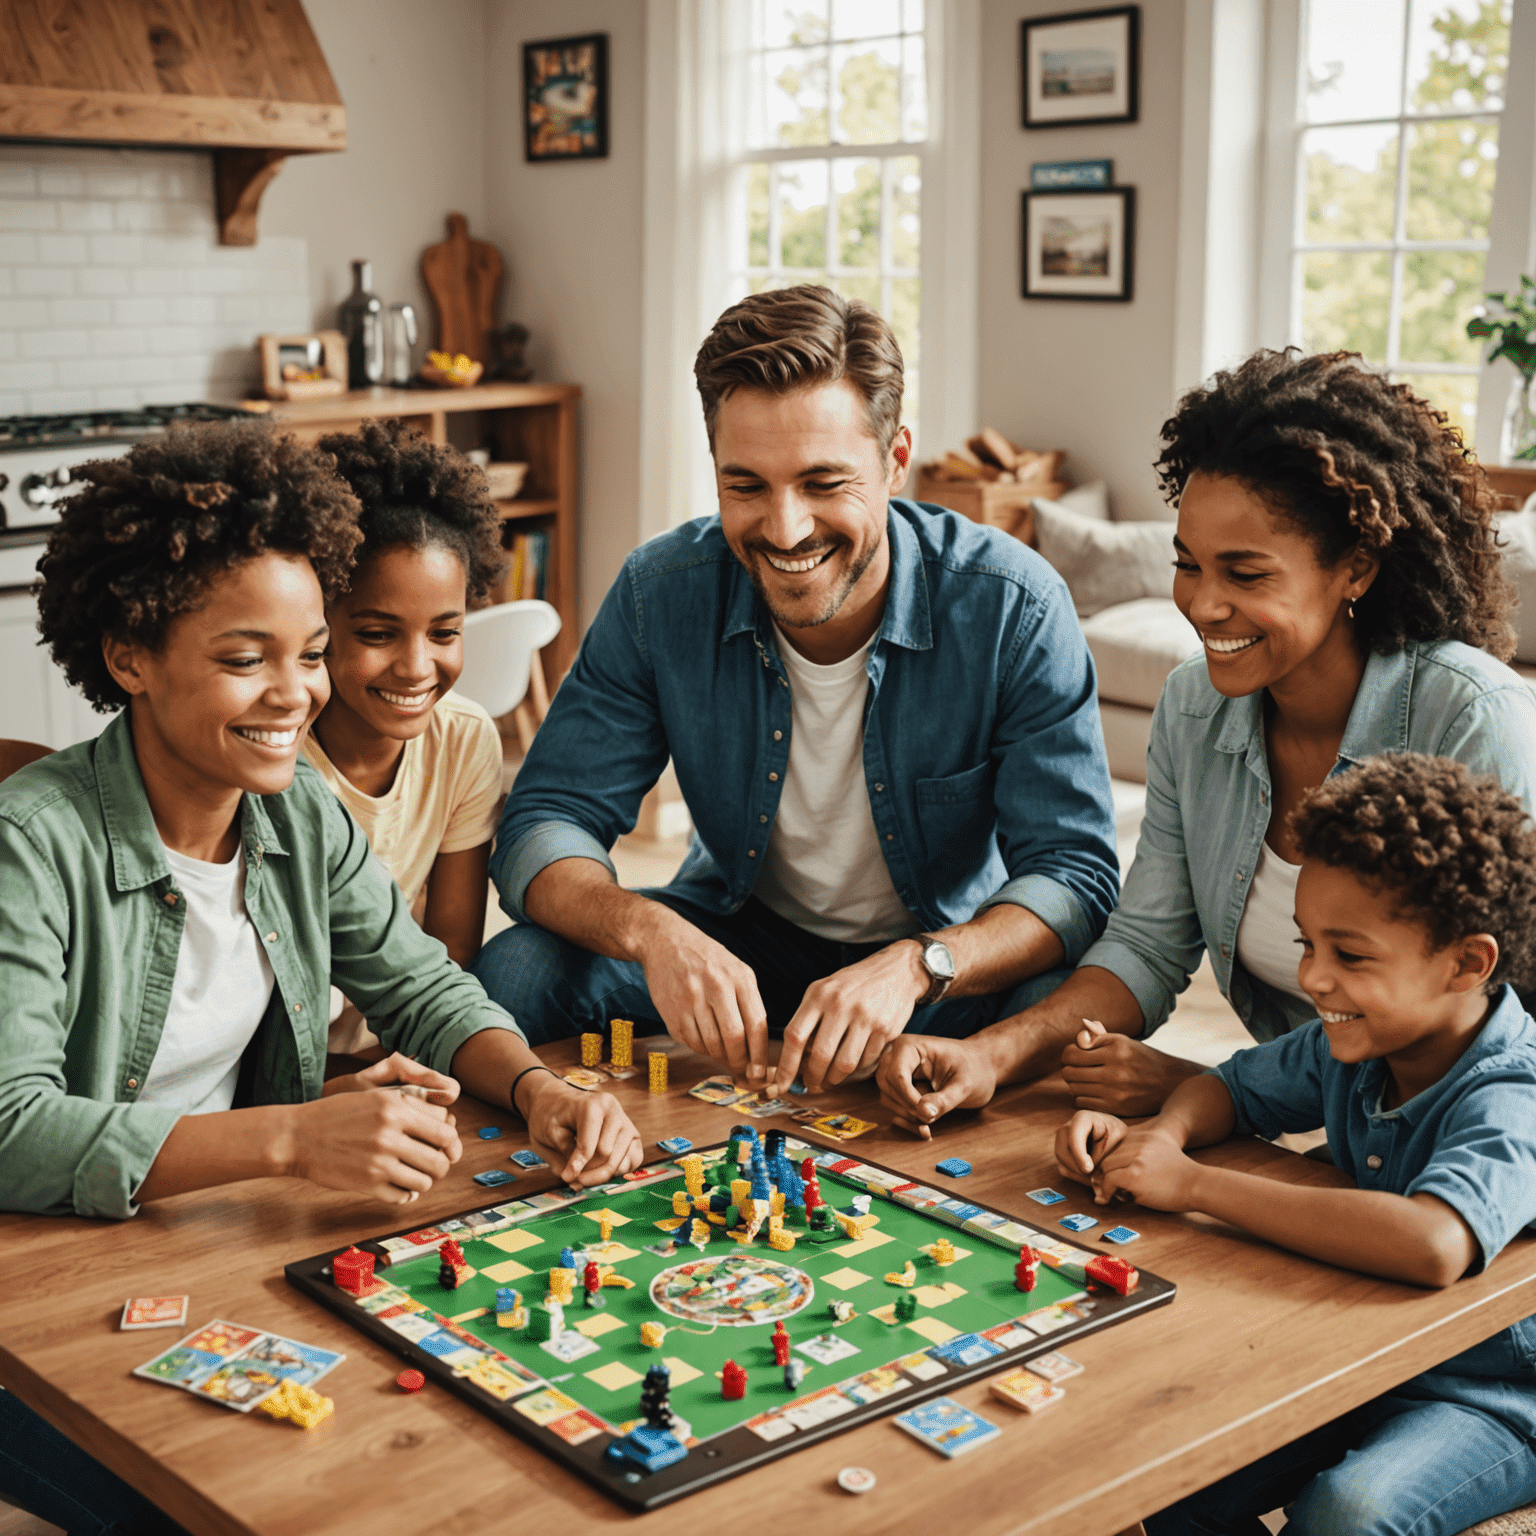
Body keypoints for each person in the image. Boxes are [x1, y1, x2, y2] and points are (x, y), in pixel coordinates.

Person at [0, 421, 642, 1534]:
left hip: (211, 1244)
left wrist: (540, 1091)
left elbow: (425, 988)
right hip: (34, 1302)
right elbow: (10, 1127)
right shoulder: (30, 843)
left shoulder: (293, 813)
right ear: (131, 656)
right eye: (246, 658)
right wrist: (293, 1136)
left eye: (307, 653)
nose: (295, 693)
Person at [470, 284, 1119, 1092]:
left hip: (938, 966)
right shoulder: (661, 592)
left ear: (894, 460)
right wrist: (651, 931)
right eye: (746, 486)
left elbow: (1073, 875)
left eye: (822, 483)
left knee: (1069, 1005)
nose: (785, 530)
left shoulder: (1012, 606)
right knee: (518, 969)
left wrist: (922, 964)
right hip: (745, 941)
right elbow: (544, 822)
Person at [878, 349, 1536, 1133]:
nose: (1203, 604)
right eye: (1188, 565)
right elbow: (1148, 943)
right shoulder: (1195, 707)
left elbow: (1496, 1024)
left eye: (1246, 575)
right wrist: (993, 1053)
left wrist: (1216, 1089)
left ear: (1355, 568)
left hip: (1463, 1147)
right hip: (1328, 1130)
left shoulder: (1469, 714)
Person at [1056, 754, 1536, 1534]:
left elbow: (1434, 1243)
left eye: (1349, 956)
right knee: (1173, 1465)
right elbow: (1232, 1088)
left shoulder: (1516, 1091)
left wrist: (1194, 1185)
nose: (1313, 978)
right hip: (1361, 1347)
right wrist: (1158, 1134)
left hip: (1493, 1393)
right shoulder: (1357, 1037)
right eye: (1306, 944)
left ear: (1465, 963)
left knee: (1346, 1513)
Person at [303, 420, 507, 1055]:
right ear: (320, 624)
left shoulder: (464, 740)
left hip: (403, 1045)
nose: (418, 668)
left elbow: (453, 950)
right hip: (283, 1070)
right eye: (378, 633)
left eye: (444, 633)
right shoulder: (274, 755)